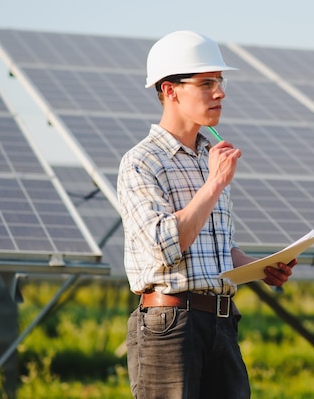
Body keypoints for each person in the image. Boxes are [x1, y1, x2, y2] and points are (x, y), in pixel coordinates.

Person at [117, 30, 297, 398]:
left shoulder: (208, 157)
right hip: (170, 326)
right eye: (206, 83)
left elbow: (218, 250)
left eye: (220, 81)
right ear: (170, 90)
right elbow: (166, 245)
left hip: (221, 323)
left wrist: (262, 267)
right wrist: (214, 183)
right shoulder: (141, 161)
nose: (220, 92)